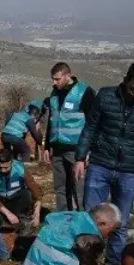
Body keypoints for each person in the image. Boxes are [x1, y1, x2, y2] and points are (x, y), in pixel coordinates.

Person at [76, 62, 134, 265]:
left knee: (121, 223)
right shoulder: (106, 96)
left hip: (131, 171)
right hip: (100, 164)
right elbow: (90, 128)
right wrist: (80, 157)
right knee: (91, 218)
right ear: (126, 80)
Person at [41, 63, 97, 211]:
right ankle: (63, 220)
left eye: (57, 79)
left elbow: (93, 123)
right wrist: (47, 146)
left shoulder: (84, 92)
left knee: (79, 189)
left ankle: (82, 221)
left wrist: (88, 151)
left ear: (68, 75)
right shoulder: (54, 94)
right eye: (53, 79)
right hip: (57, 149)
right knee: (60, 188)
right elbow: (52, 121)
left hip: (76, 150)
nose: (54, 82)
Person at [0, 147, 43, 232]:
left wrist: (37, 213)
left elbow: (34, 187)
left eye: (6, 167)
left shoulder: (20, 168)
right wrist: (7, 213)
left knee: (27, 194)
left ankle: (22, 218)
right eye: (0, 167)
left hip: (15, 200)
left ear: (12, 162)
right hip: (0, 202)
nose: (3, 170)